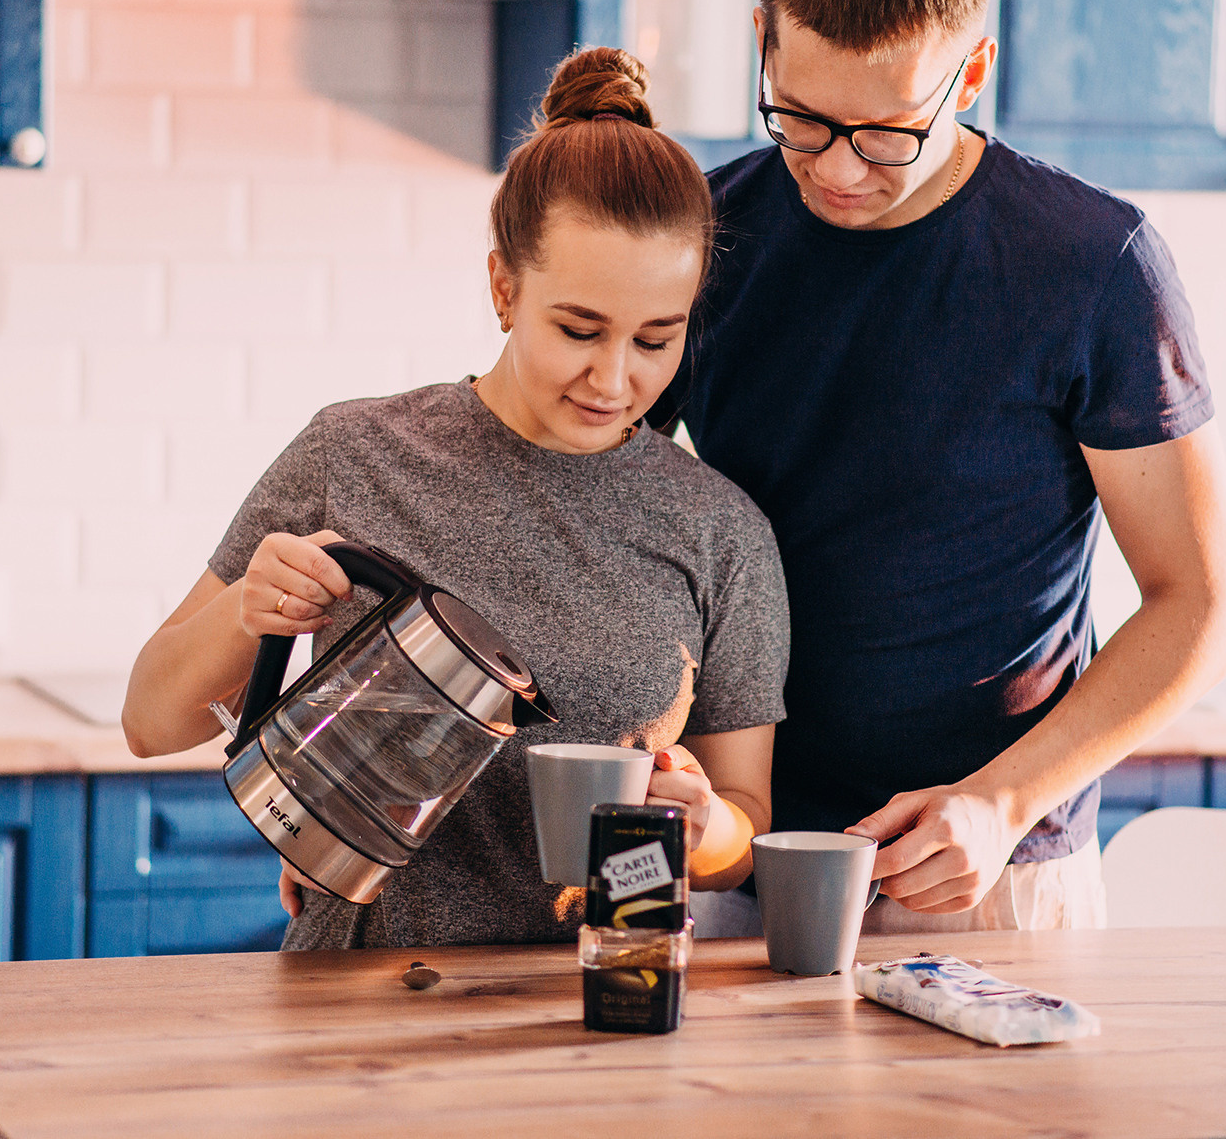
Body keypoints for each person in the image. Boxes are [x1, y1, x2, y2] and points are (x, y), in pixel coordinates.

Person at [650, 0, 1226, 933]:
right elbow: (573, 502)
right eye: (798, 117)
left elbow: (1198, 602)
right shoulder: (705, 239)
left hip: (986, 871)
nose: (835, 169)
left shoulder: (1091, 264)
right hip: (736, 856)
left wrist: (1001, 802)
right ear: (761, 42)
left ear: (968, 71)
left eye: (883, 132)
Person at [124, 48, 789, 949]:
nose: (614, 377)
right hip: (356, 1012)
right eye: (579, 329)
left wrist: (707, 825)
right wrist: (248, 612)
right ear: (503, 288)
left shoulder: (721, 534)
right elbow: (149, 721)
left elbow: (746, 828)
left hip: (598, 1016)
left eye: (655, 339)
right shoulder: (353, 453)